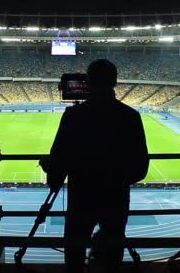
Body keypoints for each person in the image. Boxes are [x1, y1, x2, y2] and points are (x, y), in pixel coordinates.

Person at [41, 59, 149, 272]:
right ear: (116, 82)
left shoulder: (73, 115)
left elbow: (59, 160)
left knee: (74, 253)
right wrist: (114, 181)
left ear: (88, 82)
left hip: (80, 200)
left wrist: (51, 172)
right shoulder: (131, 116)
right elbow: (140, 168)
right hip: (116, 201)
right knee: (113, 255)